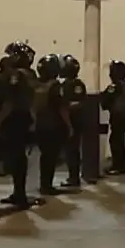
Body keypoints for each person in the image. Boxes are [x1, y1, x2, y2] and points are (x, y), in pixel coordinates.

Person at [0, 42, 38, 208]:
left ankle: (19, 194)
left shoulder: (17, 76)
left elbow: (11, 101)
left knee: (15, 157)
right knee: (19, 157)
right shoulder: (30, 74)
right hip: (25, 119)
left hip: (15, 120)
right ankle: (19, 192)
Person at [32, 54, 71, 196]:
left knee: (45, 156)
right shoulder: (55, 86)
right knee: (51, 157)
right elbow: (62, 108)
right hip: (53, 126)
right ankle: (47, 186)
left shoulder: (37, 85)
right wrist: (69, 126)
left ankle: (44, 184)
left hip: (40, 125)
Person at [59, 54, 88, 188]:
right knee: (71, 150)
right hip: (74, 120)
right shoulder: (73, 84)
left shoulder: (71, 85)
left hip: (72, 121)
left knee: (72, 150)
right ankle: (73, 176)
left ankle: (73, 177)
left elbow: (76, 102)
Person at [101, 60, 125, 175]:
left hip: (118, 116)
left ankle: (118, 166)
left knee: (115, 141)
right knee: (119, 140)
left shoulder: (116, 86)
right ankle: (119, 165)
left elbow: (105, 99)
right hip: (123, 116)